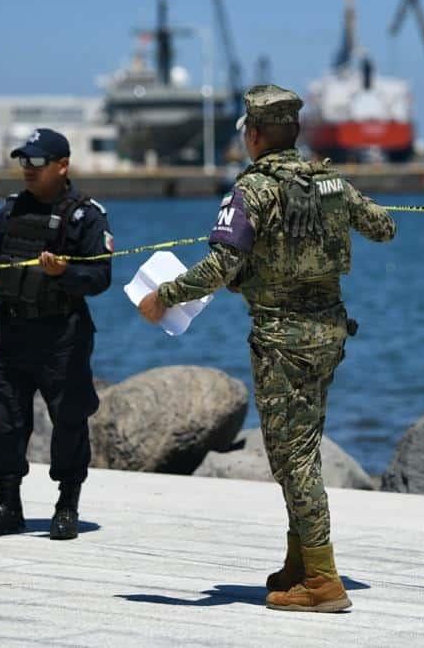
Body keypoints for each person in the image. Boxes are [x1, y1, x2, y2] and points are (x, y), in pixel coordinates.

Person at [137, 85, 396, 612]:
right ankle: (299, 563)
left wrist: (162, 296)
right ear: (295, 131)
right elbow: (384, 229)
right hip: (328, 333)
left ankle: (323, 580)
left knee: (293, 458)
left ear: (253, 135)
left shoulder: (250, 192)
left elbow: (220, 267)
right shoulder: (330, 183)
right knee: (299, 449)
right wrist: (344, 202)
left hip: (283, 340)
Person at [0, 127, 113, 541]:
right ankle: (8, 504)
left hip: (62, 337)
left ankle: (66, 505)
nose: (27, 170)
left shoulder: (86, 215)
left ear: (62, 166)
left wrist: (64, 273)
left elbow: (101, 277)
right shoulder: (10, 211)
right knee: (3, 420)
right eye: (23, 161)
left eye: (36, 162)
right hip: (12, 336)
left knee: (68, 420)